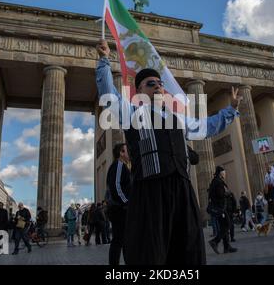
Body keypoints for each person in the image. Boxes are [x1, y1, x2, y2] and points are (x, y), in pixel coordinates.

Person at [96, 39, 241, 265]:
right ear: (140, 91)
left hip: (182, 190)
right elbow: (108, 95)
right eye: (151, 83)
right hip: (150, 189)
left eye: (159, 83)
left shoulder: (178, 119)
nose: (158, 86)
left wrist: (230, 110)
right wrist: (104, 61)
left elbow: (207, 127)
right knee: (151, 250)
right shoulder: (132, 113)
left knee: (187, 248)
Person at [106, 143, 131, 265]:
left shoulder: (122, 166)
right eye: (127, 151)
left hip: (120, 208)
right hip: (119, 209)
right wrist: (126, 202)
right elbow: (116, 186)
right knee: (119, 240)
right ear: (121, 152)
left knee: (124, 240)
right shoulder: (119, 165)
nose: (129, 153)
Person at [207, 166, 238, 254]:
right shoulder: (218, 182)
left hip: (220, 207)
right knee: (227, 224)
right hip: (220, 208)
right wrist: (228, 193)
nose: (225, 174)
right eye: (224, 173)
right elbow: (220, 194)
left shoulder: (215, 181)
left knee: (224, 226)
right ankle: (215, 241)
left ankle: (226, 247)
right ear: (221, 173)